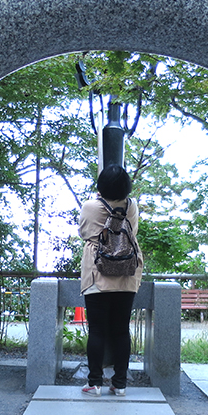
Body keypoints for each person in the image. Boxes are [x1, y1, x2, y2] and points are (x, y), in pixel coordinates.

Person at [78, 164, 143, 397]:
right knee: (121, 330)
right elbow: (132, 231)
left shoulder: (90, 206)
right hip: (126, 272)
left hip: (98, 273)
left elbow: (84, 232)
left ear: (101, 185)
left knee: (97, 330)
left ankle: (94, 383)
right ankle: (120, 383)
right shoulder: (131, 206)